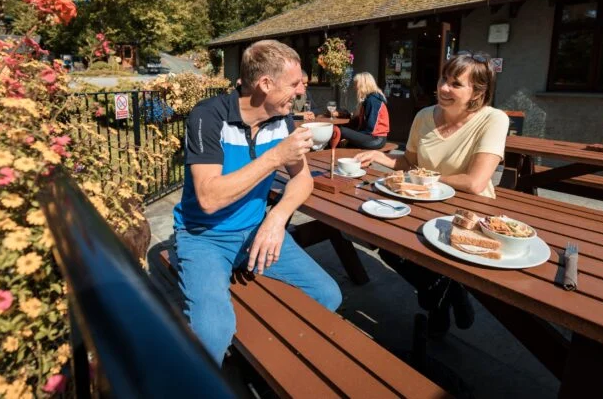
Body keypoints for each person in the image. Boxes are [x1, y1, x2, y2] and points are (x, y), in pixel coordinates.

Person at [173, 39, 342, 364]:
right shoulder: (208, 117)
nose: (300, 91)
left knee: (327, 294)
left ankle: (270, 361)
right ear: (265, 84)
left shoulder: (282, 120)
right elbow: (208, 198)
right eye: (294, 84)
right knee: (212, 334)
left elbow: (303, 178)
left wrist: (276, 219)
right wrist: (275, 157)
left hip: (256, 231)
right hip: (203, 237)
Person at [354, 51, 509, 337]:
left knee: (438, 255)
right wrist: (378, 158)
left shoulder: (493, 119)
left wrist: (419, 182)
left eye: (455, 84)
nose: (443, 88)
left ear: (477, 91)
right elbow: (410, 163)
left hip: (469, 212)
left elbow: (475, 183)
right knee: (387, 244)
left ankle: (439, 299)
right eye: (443, 79)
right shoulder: (424, 116)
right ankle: (447, 293)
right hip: (422, 203)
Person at [338, 72, 389, 149]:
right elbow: (360, 122)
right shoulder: (369, 99)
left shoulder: (373, 101)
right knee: (340, 129)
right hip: (372, 137)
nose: (355, 87)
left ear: (363, 85)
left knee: (340, 131)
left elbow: (370, 129)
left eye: (356, 84)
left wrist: (350, 137)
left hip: (376, 139)